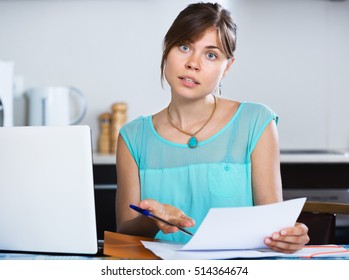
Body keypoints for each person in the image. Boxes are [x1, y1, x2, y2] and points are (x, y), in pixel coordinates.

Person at [116, 2, 309, 253]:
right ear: (167, 48)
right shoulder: (132, 137)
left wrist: (288, 237)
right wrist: (154, 220)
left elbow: (272, 228)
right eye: (184, 47)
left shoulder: (256, 122)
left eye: (210, 55)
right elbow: (124, 234)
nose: (193, 63)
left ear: (226, 67)